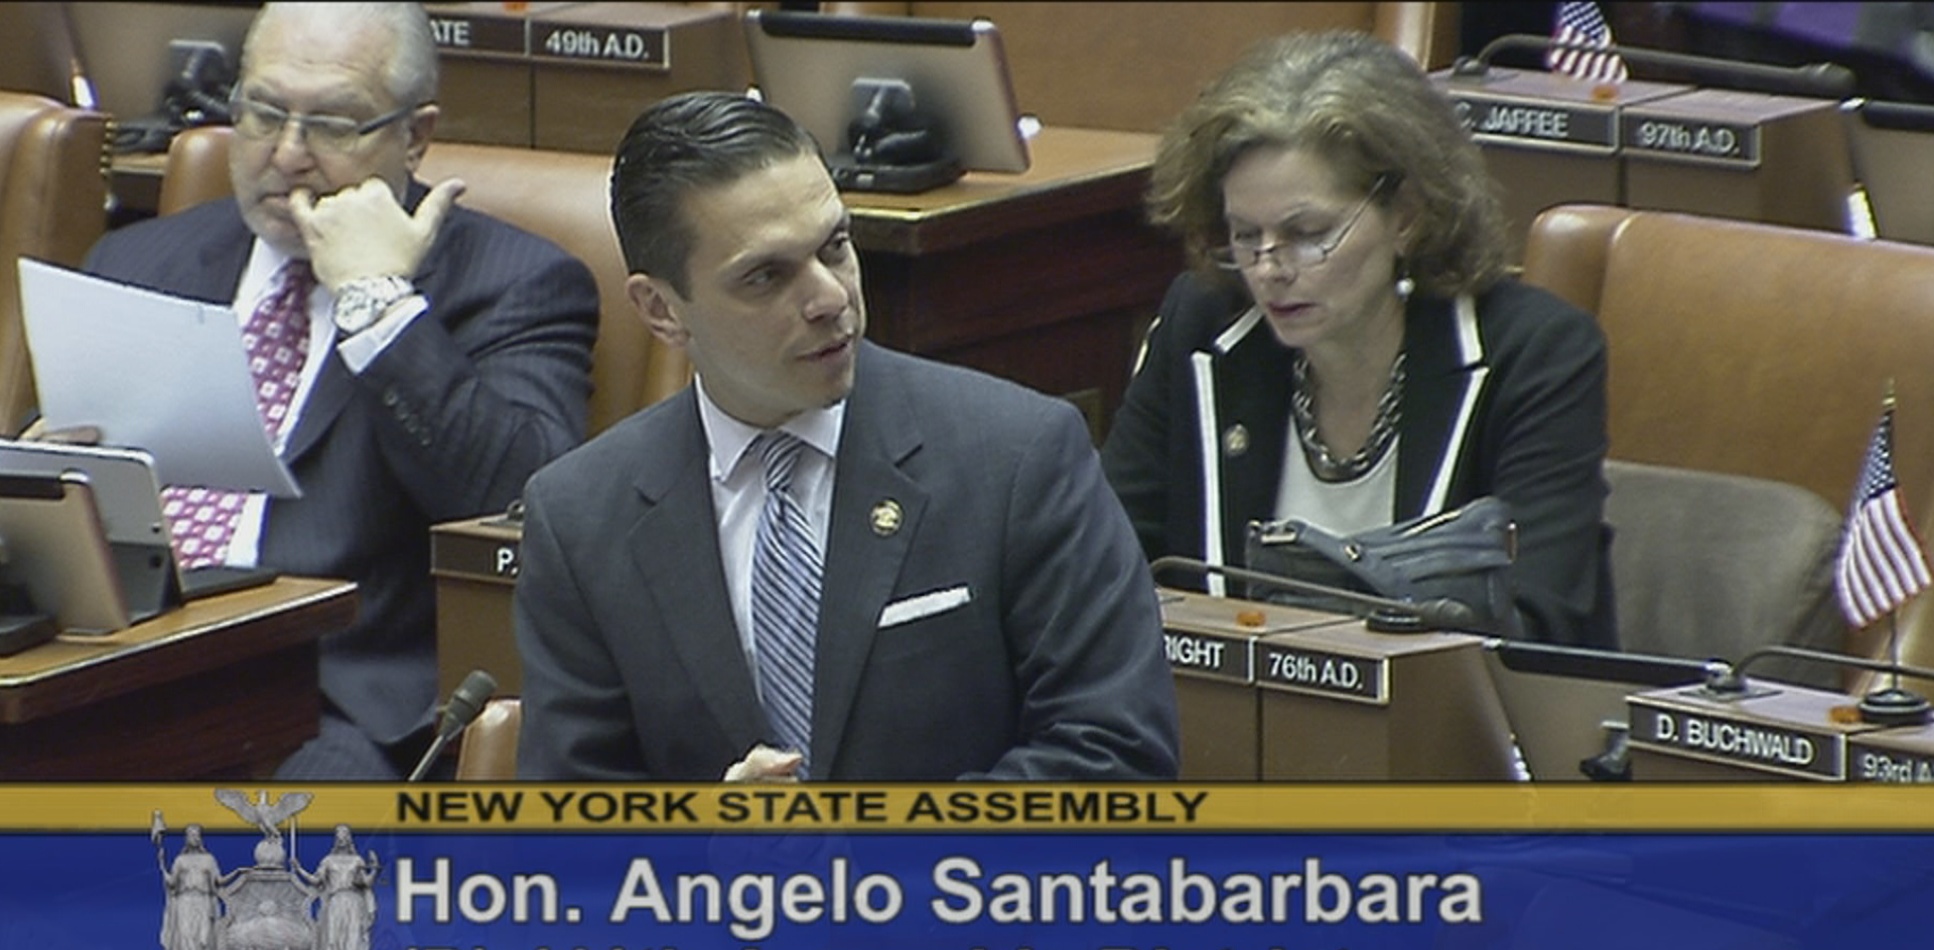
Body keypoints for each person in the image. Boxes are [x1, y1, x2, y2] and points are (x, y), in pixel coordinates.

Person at [512, 91, 1179, 781]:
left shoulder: (1016, 456)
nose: (830, 297)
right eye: (766, 276)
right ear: (661, 310)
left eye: (835, 246)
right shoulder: (583, 518)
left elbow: (1115, 755)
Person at [80, 2, 597, 777]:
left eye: (332, 125)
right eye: (262, 113)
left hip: (323, 705)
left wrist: (377, 303)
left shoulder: (514, 282)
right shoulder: (136, 262)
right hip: (107, 667)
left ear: (414, 135)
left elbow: (521, 504)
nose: (287, 154)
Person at [1100, 29, 1617, 648]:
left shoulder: (1533, 354)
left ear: (1407, 217)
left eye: (1308, 233)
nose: (1269, 268)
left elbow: (1537, 619)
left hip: (1438, 732)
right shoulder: (1205, 324)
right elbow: (1101, 564)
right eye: (1244, 235)